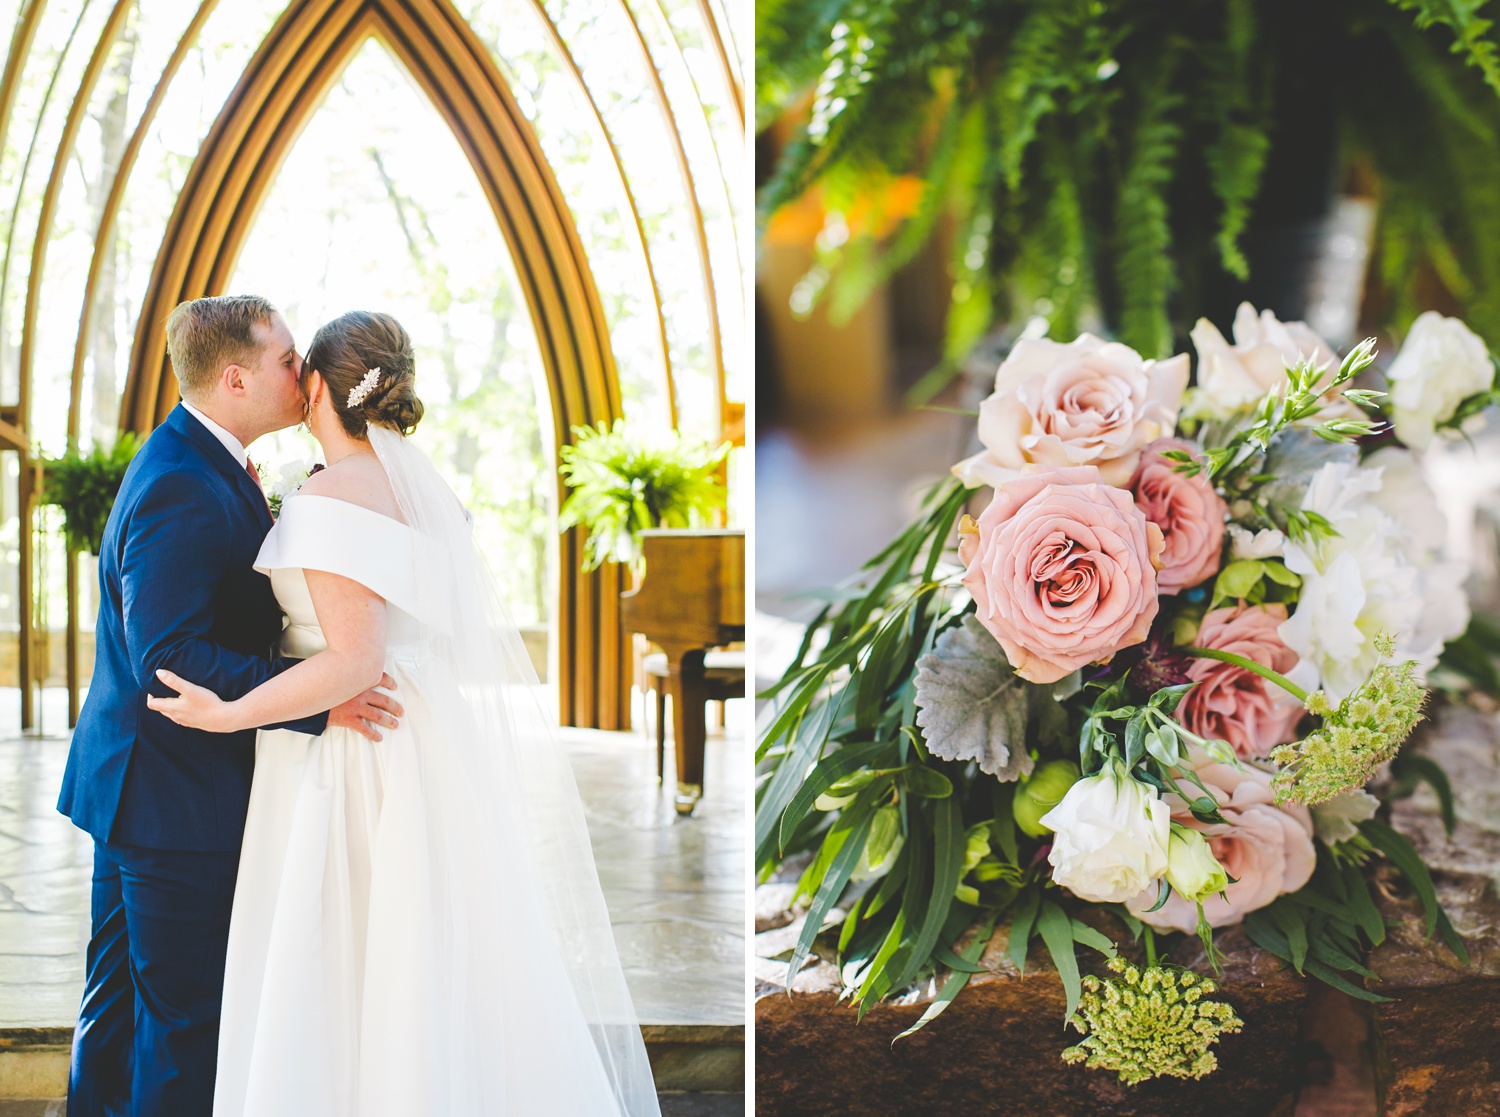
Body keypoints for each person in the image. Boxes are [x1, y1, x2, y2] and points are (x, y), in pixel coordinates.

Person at [148, 311, 660, 1116]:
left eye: (297, 368)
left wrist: (229, 711)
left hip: (353, 751)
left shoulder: (324, 498)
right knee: (430, 950)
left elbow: (352, 661)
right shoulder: (430, 494)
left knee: (345, 954)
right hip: (422, 736)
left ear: (318, 385)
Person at [58, 295, 403, 1117]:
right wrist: (321, 702)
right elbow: (168, 661)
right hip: (171, 797)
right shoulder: (181, 481)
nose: (302, 372)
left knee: (118, 1013)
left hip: (139, 786)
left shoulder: (200, 457)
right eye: (287, 359)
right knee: (182, 1024)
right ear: (239, 376)